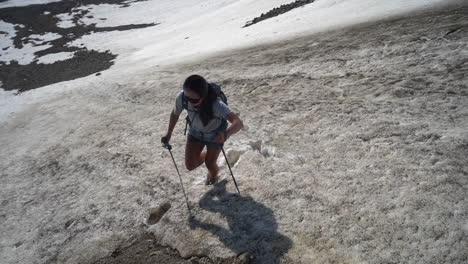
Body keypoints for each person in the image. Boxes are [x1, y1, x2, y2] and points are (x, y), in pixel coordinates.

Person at [162, 75, 244, 185]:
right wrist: (169, 133)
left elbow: (238, 122)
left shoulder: (216, 103)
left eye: (194, 99)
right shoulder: (182, 97)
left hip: (215, 135)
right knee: (190, 165)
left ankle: (213, 177)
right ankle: (209, 155)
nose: (189, 102)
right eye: (187, 98)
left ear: (204, 96)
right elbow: (175, 114)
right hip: (195, 132)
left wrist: (225, 134)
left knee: (210, 164)